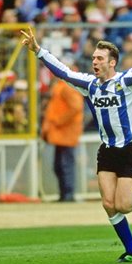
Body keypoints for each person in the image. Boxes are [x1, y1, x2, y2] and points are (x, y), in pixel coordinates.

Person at [20, 25, 132, 263]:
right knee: (108, 204)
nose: (94, 61)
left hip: (129, 150)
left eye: (100, 58)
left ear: (112, 62)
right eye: (94, 57)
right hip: (107, 151)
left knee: (124, 205)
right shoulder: (90, 85)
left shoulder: (127, 82)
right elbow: (63, 72)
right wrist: (38, 50)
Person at [41, 59, 85, 202]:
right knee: (60, 165)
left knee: (65, 165)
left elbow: (76, 107)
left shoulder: (67, 86)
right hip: (62, 133)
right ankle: (64, 194)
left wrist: (58, 120)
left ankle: (68, 195)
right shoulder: (64, 85)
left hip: (65, 133)